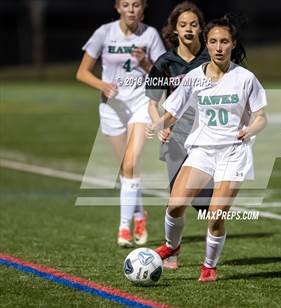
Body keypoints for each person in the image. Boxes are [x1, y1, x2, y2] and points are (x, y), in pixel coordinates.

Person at [152, 14, 268, 282]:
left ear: (232, 44)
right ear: (206, 42)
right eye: (213, 41)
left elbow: (261, 116)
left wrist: (252, 128)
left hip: (233, 152)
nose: (218, 47)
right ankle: (172, 246)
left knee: (215, 217)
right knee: (175, 205)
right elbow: (173, 110)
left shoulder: (246, 78)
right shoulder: (194, 77)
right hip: (202, 150)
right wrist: (160, 124)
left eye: (224, 42)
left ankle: (209, 266)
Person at [76, 0, 166, 247]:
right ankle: (139, 214)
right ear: (117, 8)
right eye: (126, 4)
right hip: (112, 108)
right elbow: (82, 72)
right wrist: (103, 85)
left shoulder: (150, 35)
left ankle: (124, 229)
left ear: (143, 9)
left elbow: (163, 74)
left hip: (140, 106)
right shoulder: (104, 33)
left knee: (130, 163)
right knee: (127, 169)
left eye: (136, 5)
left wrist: (147, 63)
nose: (131, 9)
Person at [145, 1, 211, 270]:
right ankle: (172, 251)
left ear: (200, 29)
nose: (188, 29)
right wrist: (161, 125)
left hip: (207, 136)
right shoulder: (165, 62)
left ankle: (210, 258)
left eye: (193, 24)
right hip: (175, 136)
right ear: (174, 29)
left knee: (206, 203)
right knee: (176, 199)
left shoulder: (210, 59)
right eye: (183, 25)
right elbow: (152, 101)